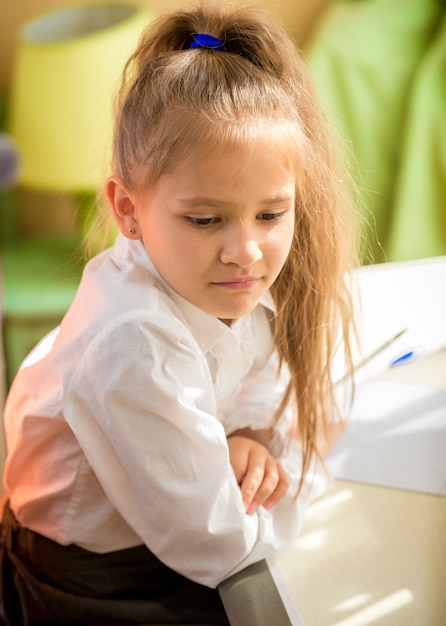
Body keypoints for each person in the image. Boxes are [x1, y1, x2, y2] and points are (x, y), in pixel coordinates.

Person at [0, 4, 359, 625]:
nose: (246, 250)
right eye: (205, 219)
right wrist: (305, 463)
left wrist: (248, 434)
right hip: (89, 575)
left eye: (272, 214)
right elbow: (221, 543)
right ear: (128, 209)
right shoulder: (134, 341)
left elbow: (258, 370)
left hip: (164, 532)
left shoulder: (215, 277)